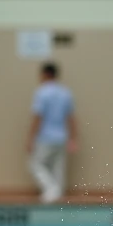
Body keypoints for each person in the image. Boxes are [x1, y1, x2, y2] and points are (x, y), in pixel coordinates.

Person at [27, 63, 77, 204]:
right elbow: (71, 118)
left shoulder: (42, 92)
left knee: (35, 164)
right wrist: (73, 139)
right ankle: (58, 194)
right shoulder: (65, 92)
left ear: (46, 74)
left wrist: (30, 138)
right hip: (62, 136)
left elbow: (38, 117)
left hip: (45, 136)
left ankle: (51, 190)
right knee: (58, 167)